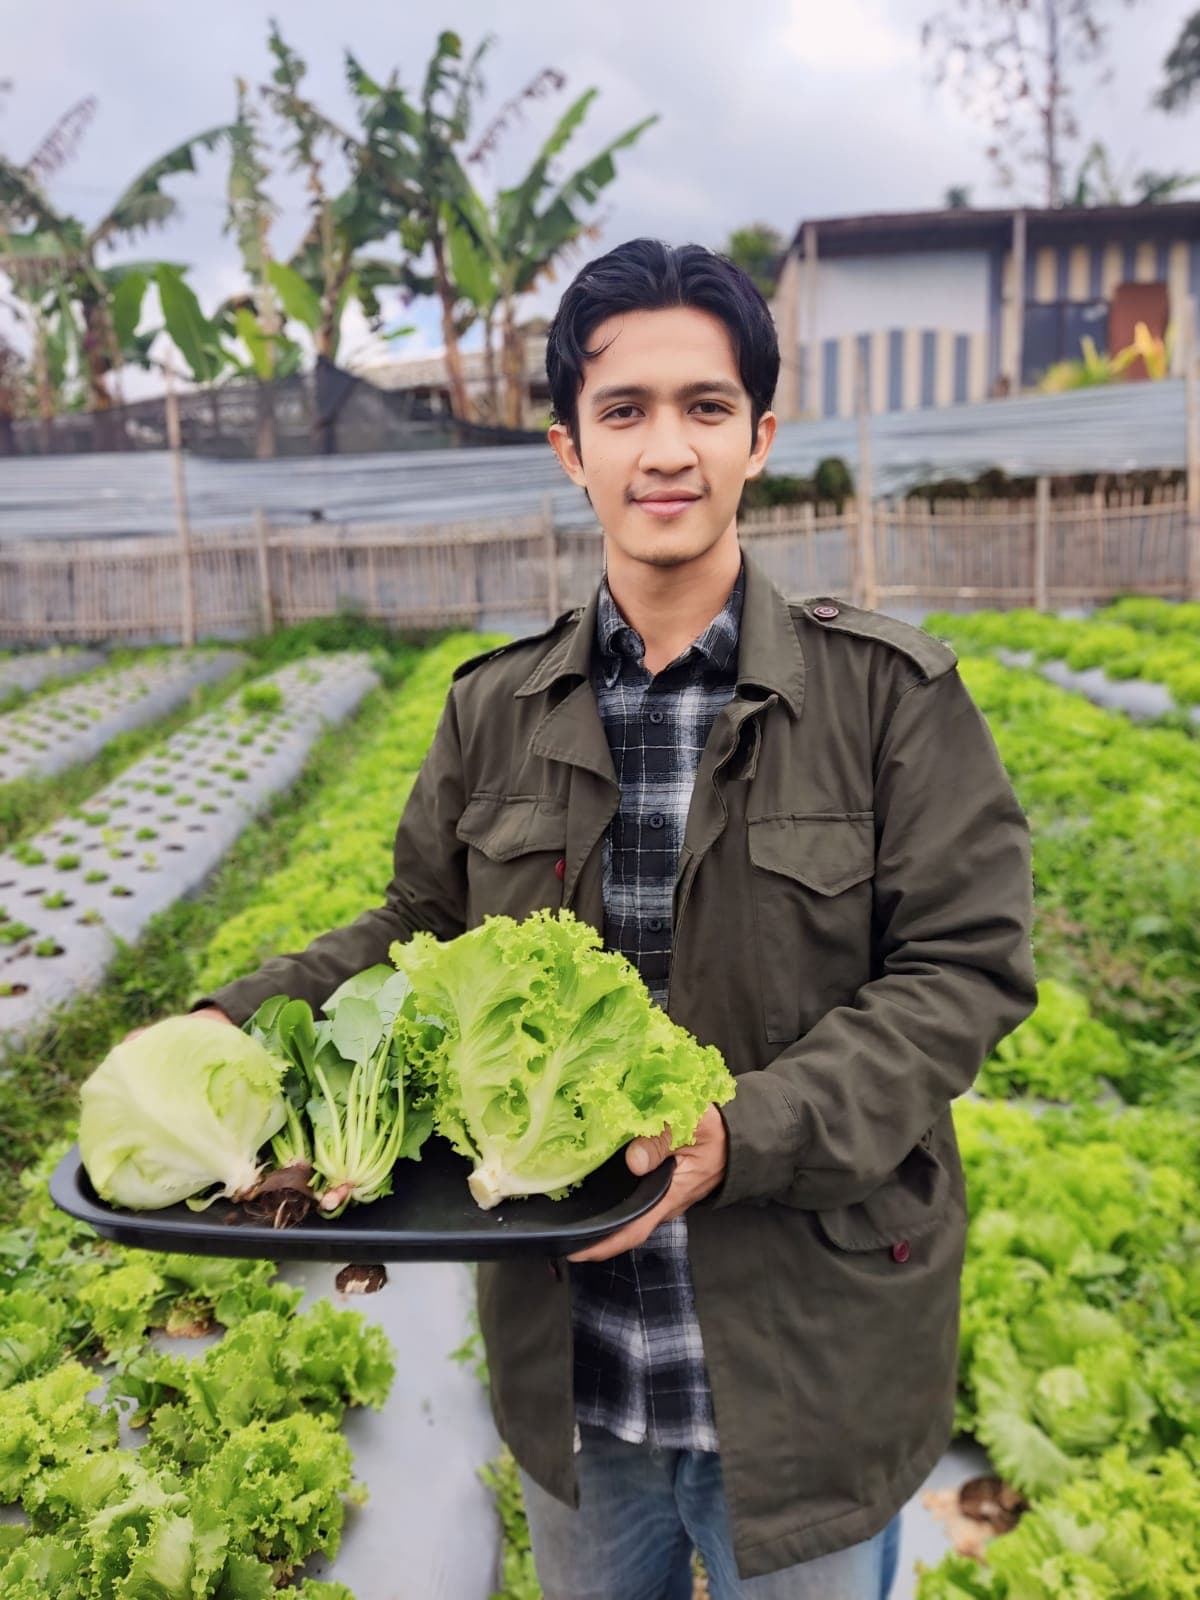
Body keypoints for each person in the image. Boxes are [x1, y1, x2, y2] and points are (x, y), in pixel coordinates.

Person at [182, 239, 1036, 1599]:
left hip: (810, 1371)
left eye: (704, 409)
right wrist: (232, 1019)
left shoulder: (889, 701)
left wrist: (735, 1134)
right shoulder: (496, 710)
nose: (666, 450)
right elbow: (418, 928)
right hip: (575, 1368)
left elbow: (963, 973)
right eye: (622, 410)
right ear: (569, 450)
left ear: (761, 439)